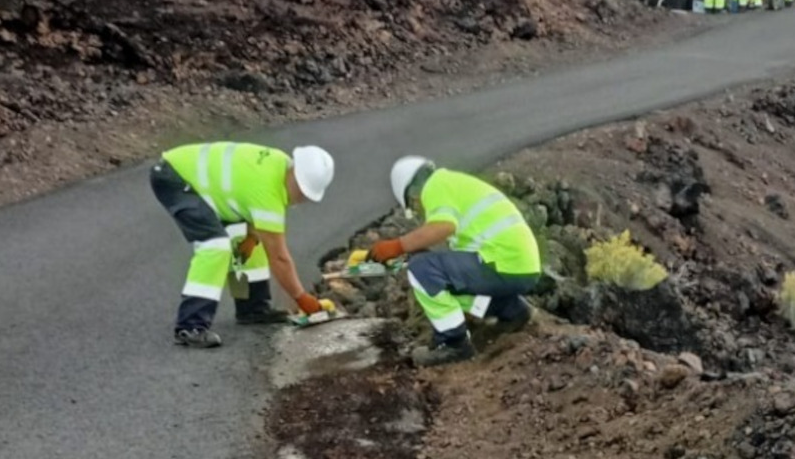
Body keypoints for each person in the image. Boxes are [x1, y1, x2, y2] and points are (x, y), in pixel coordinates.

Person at [150, 141, 334, 348]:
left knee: (247, 240)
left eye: (306, 196)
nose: (300, 199)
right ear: (294, 174)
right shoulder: (268, 191)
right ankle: (190, 326)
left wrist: (252, 236)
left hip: (201, 183)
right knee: (215, 245)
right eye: (301, 192)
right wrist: (301, 298)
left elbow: (251, 204)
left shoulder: (280, 164)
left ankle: (251, 308)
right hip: (175, 178)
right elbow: (279, 258)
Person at [366, 158, 542, 367]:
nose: (419, 211)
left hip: (501, 261)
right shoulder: (452, 183)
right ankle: (512, 310)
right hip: (519, 265)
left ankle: (453, 343)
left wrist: (397, 245)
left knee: (421, 269)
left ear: (413, 195)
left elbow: (443, 227)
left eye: (414, 207)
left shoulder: (434, 186)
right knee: (442, 280)